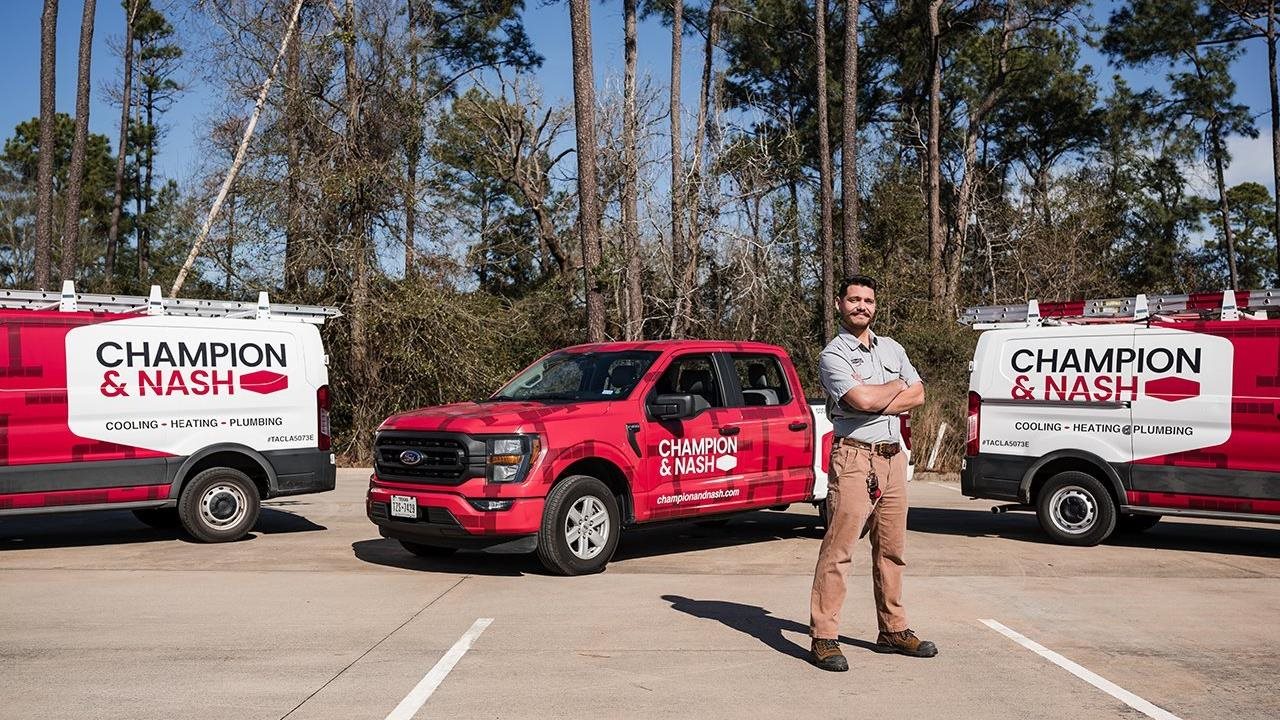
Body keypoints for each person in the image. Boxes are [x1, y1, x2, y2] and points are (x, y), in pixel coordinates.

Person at [809, 275, 937, 672]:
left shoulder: (893, 348)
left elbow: (919, 393)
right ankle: (825, 637)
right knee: (839, 550)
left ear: (875, 306)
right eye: (854, 300)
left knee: (892, 551)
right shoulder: (834, 355)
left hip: (893, 458)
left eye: (868, 300)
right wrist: (895, 389)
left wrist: (881, 395)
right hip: (854, 458)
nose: (861, 306)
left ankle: (893, 630)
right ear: (839, 305)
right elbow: (859, 398)